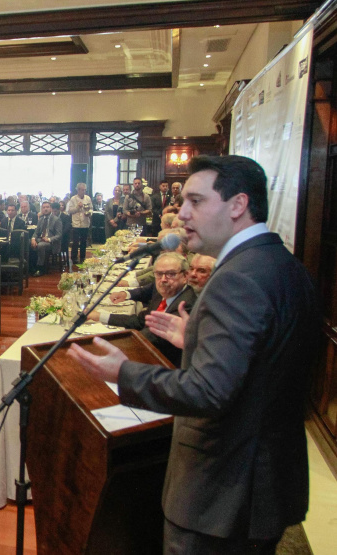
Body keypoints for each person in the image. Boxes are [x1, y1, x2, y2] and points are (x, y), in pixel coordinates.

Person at [68, 155, 319, 553]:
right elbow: (267, 361)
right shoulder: (282, 264)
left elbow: (208, 392)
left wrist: (125, 372)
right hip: (263, 484)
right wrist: (199, 341)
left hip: (222, 492)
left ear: (238, 205)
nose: (183, 213)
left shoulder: (237, 279)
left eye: (196, 201)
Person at [93, 252, 196, 365]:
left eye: (171, 274)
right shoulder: (163, 292)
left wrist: (103, 345)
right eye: (159, 274)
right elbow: (140, 321)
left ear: (185, 276)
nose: (163, 279)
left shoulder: (185, 305)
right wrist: (99, 316)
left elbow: (151, 338)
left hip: (162, 364)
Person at [29, 201, 62, 277]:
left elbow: (59, 235)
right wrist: (33, 239)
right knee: (28, 242)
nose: (45, 209)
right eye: (44, 207)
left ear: (51, 208)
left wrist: (49, 239)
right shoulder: (41, 219)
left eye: (47, 207)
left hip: (51, 242)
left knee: (41, 245)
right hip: (40, 239)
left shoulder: (56, 219)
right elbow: (36, 232)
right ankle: (31, 267)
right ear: (41, 209)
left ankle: (41, 268)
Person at [66, 182, 93, 264]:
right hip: (76, 224)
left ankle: (82, 257)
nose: (83, 191)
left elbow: (91, 209)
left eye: (85, 190)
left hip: (85, 223)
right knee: (75, 242)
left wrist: (89, 213)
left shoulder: (88, 198)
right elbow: (70, 211)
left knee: (83, 242)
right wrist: (78, 207)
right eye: (82, 190)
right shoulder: (73, 199)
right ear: (78, 190)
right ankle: (74, 257)